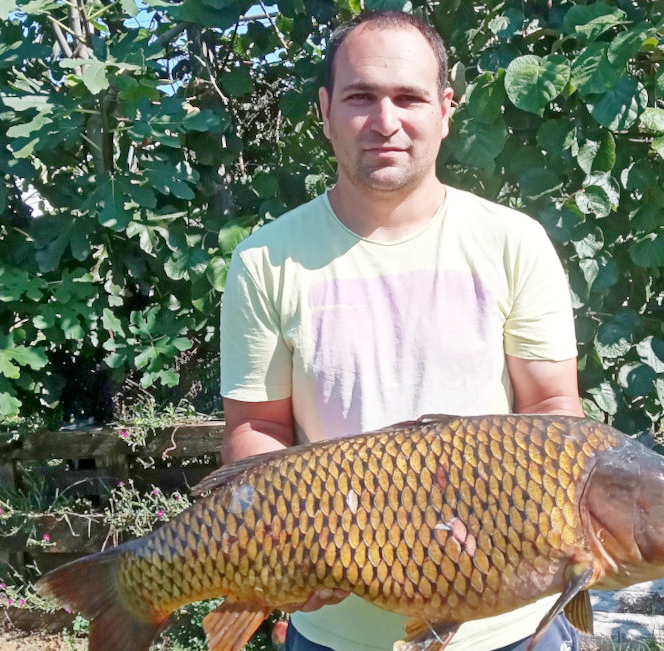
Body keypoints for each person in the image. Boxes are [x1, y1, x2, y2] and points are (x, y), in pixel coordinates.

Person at [219, 10, 583, 651]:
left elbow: (553, 411)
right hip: (334, 625)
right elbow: (258, 428)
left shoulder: (513, 243)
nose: (385, 122)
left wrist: (507, 524)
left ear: (445, 110)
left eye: (409, 97)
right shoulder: (265, 260)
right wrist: (285, 542)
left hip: (509, 623)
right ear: (326, 111)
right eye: (361, 97)